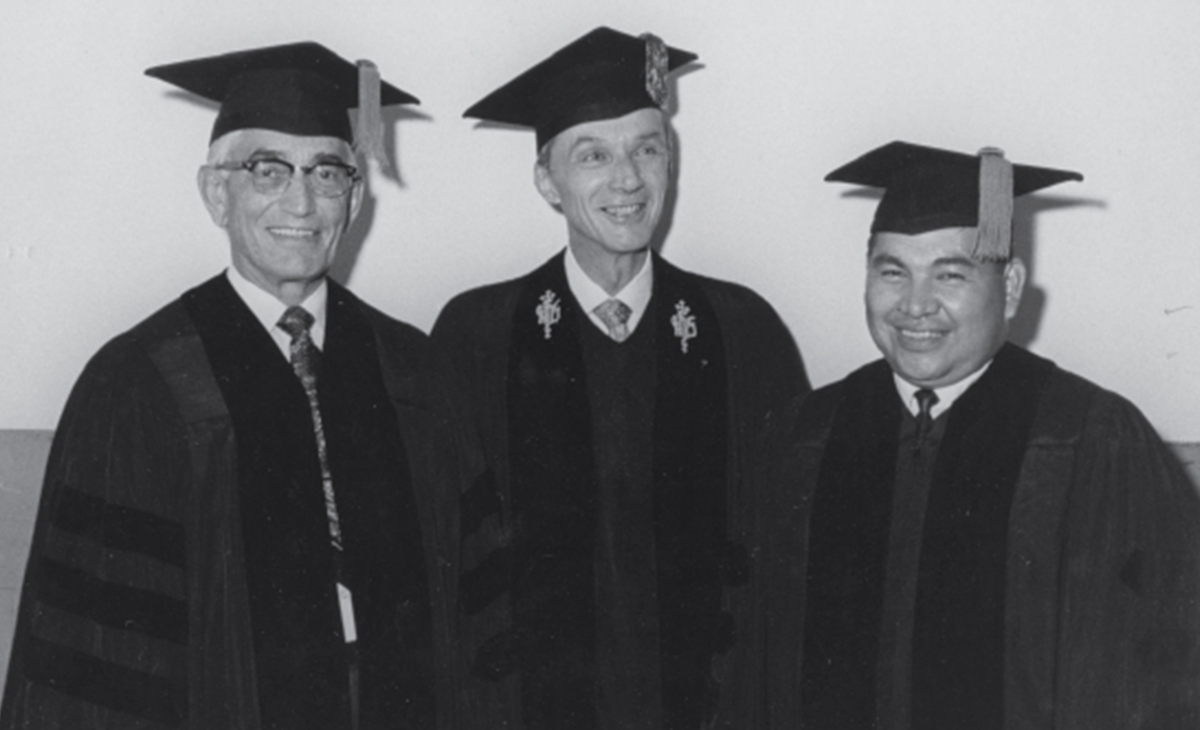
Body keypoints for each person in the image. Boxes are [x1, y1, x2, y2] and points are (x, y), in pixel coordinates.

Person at [1, 42, 477, 730]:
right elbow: (95, 661)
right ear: (215, 192)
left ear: (356, 195)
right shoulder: (138, 383)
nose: (302, 201)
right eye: (267, 170)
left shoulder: (414, 370)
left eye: (328, 172)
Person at [431, 26, 809, 730]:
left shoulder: (742, 330)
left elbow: (784, 557)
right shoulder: (477, 336)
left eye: (647, 147)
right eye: (593, 155)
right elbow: (449, 573)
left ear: (673, 162)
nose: (628, 179)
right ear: (548, 179)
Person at [766, 141, 1200, 729]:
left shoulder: (1089, 438)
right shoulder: (810, 432)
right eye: (892, 271)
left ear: (1012, 287)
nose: (916, 305)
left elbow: (1149, 677)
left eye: (950, 274)